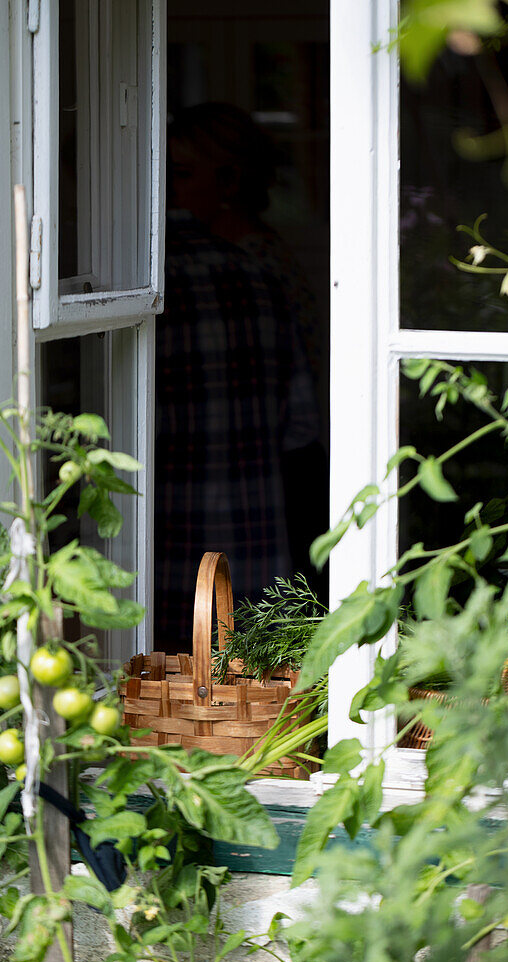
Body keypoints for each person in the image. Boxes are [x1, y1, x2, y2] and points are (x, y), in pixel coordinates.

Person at [153, 105, 327, 653]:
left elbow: (304, 389)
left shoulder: (249, 257)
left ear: (229, 179)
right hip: (253, 477)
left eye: (182, 173)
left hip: (258, 473)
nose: (168, 191)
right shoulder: (238, 254)